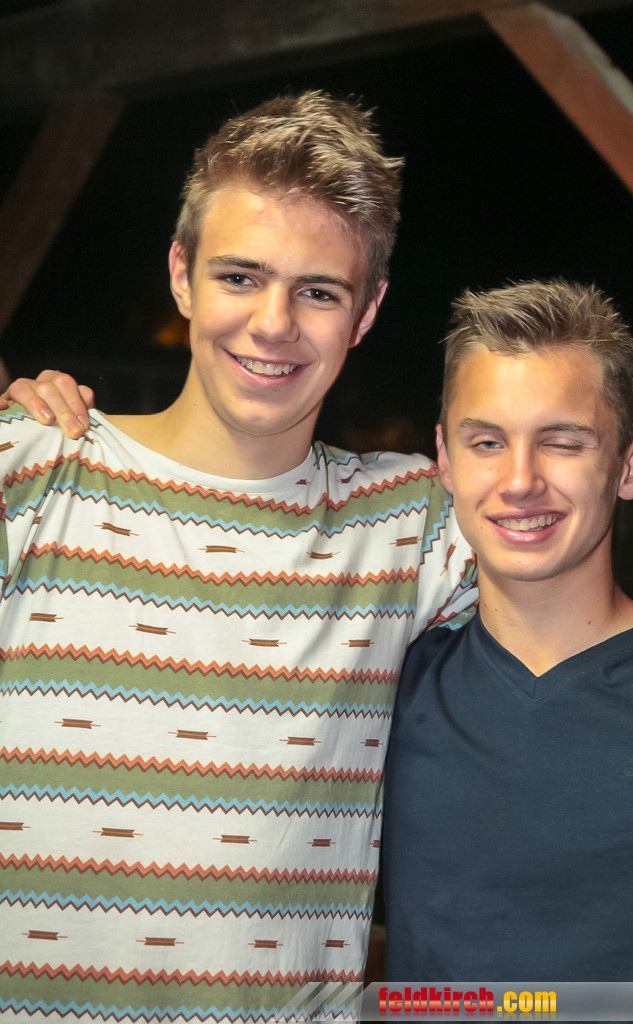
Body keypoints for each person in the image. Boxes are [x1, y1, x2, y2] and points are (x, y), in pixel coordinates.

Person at [0, 91, 477, 1023]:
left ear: (367, 311)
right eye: (240, 276)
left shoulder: (413, 522)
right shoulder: (29, 469)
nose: (272, 323)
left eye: (319, 291)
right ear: (181, 275)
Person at [383, 279, 633, 982]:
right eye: (487, 442)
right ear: (445, 460)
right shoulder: (387, 689)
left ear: (631, 466)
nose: (519, 481)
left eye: (562, 443)